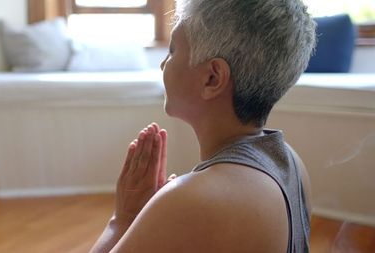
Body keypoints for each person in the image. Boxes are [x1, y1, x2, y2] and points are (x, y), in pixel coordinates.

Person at [90, 0, 316, 252]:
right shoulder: (291, 162)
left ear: (212, 78)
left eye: (173, 50)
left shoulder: (192, 199)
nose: (163, 64)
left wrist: (123, 219)